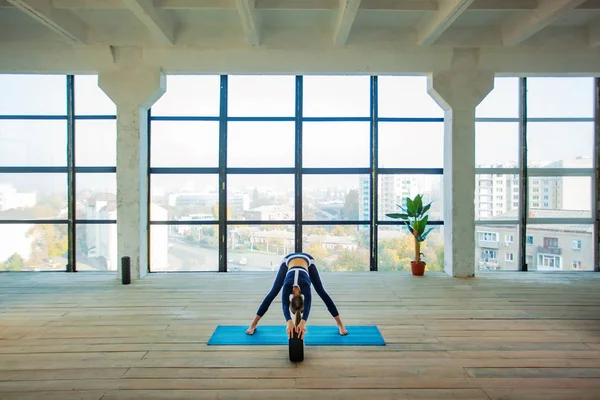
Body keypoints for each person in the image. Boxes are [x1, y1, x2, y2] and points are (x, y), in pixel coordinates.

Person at [246, 252, 348, 339]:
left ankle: (340, 325)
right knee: (272, 293)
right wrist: (289, 322)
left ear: (291, 301)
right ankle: (253, 324)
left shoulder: (303, 285)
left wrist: (301, 322)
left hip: (308, 261)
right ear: (291, 301)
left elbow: (305, 305)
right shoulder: (290, 285)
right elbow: (286, 305)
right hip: (288, 261)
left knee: (322, 292)